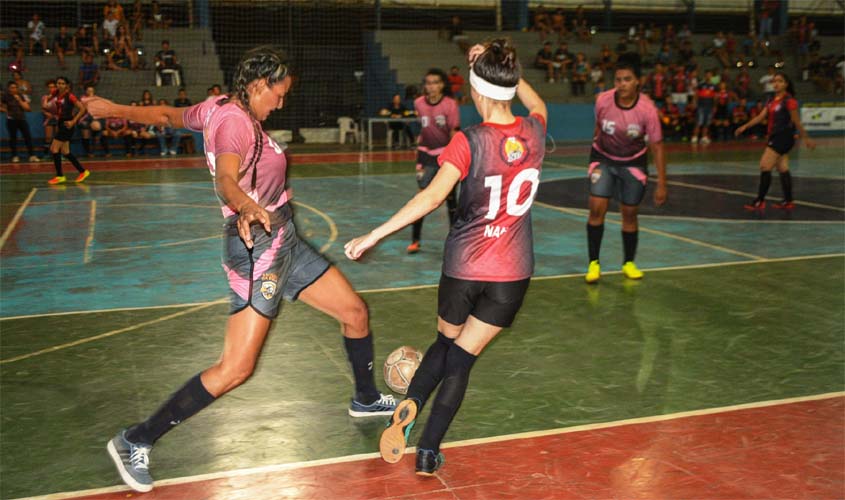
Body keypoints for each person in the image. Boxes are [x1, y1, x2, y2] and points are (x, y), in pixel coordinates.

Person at [85, 45, 396, 493]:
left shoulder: (216, 107)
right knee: (236, 368)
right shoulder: (233, 123)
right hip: (258, 248)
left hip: (284, 237)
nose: (281, 103)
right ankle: (136, 439)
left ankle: (365, 398)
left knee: (354, 313)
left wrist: (114, 108)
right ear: (256, 85)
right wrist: (247, 205)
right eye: (278, 93)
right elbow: (226, 179)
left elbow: (168, 117)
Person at [345, 39, 547, 477]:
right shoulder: (534, 131)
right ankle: (429, 450)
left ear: (475, 91)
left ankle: (411, 403)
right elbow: (538, 103)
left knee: (444, 344)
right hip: (511, 274)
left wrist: (375, 234)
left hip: (464, 269)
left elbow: (432, 197)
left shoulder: (468, 141)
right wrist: (503, 69)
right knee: (462, 360)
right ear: (510, 86)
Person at [583, 53, 667, 284]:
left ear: (638, 81)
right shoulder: (602, 100)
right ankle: (593, 263)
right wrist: (594, 155)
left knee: (629, 214)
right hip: (603, 158)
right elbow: (598, 127)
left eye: (627, 79)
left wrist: (661, 184)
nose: (622, 84)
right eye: (618, 79)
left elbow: (657, 147)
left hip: (633, 162)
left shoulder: (647, 110)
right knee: (596, 208)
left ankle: (628, 262)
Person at [735, 72, 815, 211]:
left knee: (765, 166)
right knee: (782, 168)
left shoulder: (789, 101)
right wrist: (745, 126)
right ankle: (788, 201)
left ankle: (759, 201)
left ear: (786, 84)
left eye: (780, 81)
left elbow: (796, 121)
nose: (776, 83)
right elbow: (761, 117)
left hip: (783, 137)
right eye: (775, 81)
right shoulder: (772, 100)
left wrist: (806, 138)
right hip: (775, 136)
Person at [408, 68, 460, 254]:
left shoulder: (450, 105)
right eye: (428, 83)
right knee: (421, 197)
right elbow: (423, 130)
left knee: (451, 200)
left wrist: (456, 158)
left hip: (446, 156)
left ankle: (455, 243)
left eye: (435, 82)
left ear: (442, 85)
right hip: (425, 155)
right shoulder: (418, 103)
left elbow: (454, 132)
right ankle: (415, 240)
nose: (431, 86)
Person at [46, 76, 90, 185]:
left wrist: (73, 121)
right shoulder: (56, 94)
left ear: (67, 85)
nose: (59, 85)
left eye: (62, 83)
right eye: (58, 83)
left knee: (54, 149)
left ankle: (60, 176)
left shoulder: (70, 96)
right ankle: (83, 171)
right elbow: (48, 102)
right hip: (61, 123)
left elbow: (83, 109)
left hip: (67, 124)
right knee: (65, 152)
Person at [1, 81, 39, 163]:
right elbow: (2, 106)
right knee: (13, 138)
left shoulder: (21, 96)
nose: (14, 89)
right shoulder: (5, 97)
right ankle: (14, 156)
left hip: (22, 119)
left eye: (15, 87)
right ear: (8, 89)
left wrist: (19, 100)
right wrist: (6, 111)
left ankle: (32, 155)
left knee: (27, 137)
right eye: (12, 88)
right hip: (11, 120)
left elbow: (28, 109)